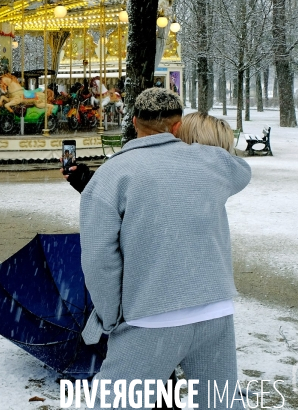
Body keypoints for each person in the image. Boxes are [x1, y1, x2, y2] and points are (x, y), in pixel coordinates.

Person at [79, 89, 251, 409]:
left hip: (152, 317)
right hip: (215, 310)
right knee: (219, 403)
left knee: (115, 403)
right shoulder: (208, 162)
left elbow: (99, 259)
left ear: (133, 123)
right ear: (177, 125)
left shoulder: (112, 175)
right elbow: (240, 171)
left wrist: (111, 315)